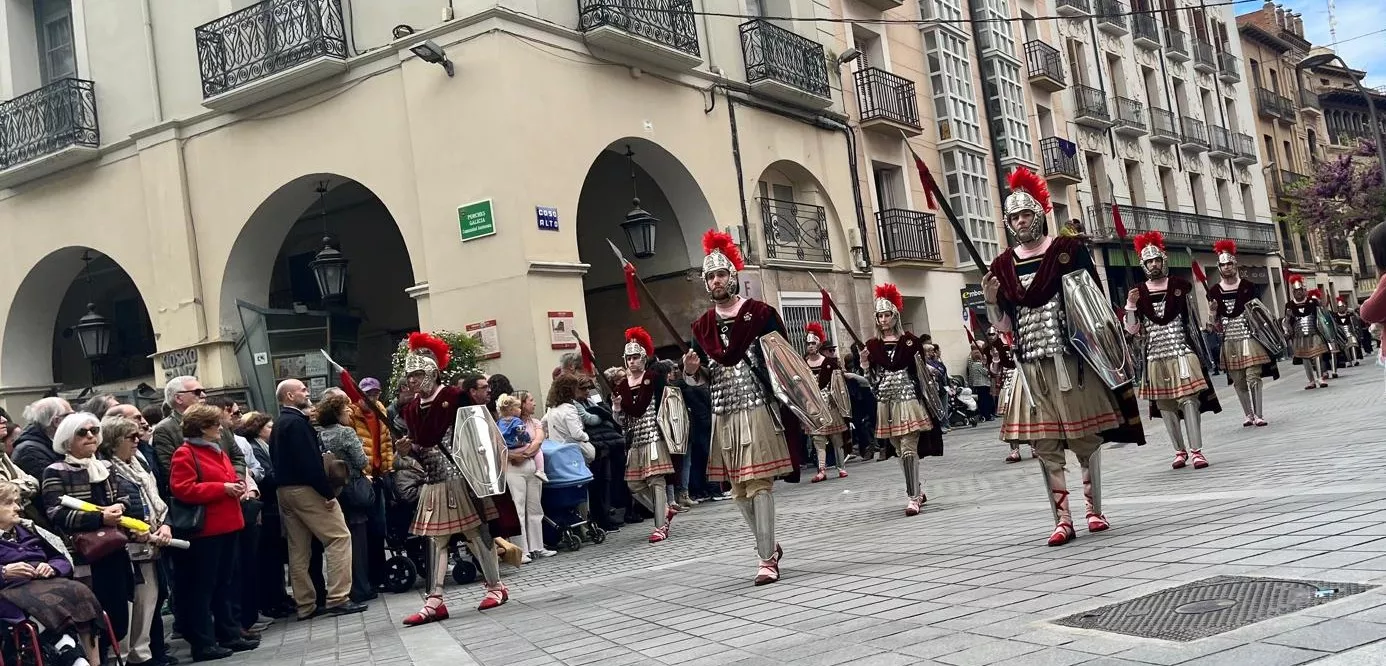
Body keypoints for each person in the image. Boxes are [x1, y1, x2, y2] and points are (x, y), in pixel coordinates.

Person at [982, 167, 1144, 546]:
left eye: (1026, 214)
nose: (1021, 221)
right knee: (1045, 446)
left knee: (1085, 438)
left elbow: (1094, 305)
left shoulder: (1067, 252)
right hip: (1032, 366)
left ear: (1039, 214)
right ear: (1008, 223)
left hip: (1071, 361)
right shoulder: (1003, 266)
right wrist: (990, 301)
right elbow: (1006, 322)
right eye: (1014, 217)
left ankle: (1094, 510)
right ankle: (1062, 519)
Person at [680, 230, 799, 585]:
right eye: (710, 276)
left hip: (757, 403)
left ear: (733, 277)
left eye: (721, 274)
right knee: (738, 491)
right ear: (705, 283)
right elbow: (701, 374)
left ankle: (766, 560)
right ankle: (769, 544)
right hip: (723, 411)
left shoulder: (761, 314)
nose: (716, 281)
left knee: (759, 482)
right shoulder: (701, 327)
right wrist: (691, 371)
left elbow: (784, 360)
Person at [396, 333, 511, 625]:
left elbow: (476, 434)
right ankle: (434, 601)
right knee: (435, 540)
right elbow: (423, 449)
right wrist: (409, 450)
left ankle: (496, 587)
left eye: (418, 374)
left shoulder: (453, 397)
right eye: (409, 376)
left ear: (432, 372)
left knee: (475, 532)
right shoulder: (409, 409)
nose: (412, 380)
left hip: (461, 475)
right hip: (434, 481)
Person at [39, 412, 138, 663]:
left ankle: (115, 657)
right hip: (85, 554)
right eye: (82, 432)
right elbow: (55, 513)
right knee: (93, 616)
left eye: (94, 430)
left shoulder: (105, 466)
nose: (91, 436)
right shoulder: (55, 471)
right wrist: (99, 518)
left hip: (115, 547)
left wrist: (120, 508)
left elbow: (124, 495)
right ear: (66, 439)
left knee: (119, 612)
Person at [270, 379, 367, 621]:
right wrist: (327, 493)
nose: (307, 392)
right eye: (302, 390)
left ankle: (306, 604)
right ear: (290, 396)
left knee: (298, 548)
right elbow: (310, 462)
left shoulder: (280, 423)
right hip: (306, 489)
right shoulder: (296, 423)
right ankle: (338, 597)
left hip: (285, 490)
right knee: (339, 537)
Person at [1124, 231, 1220, 470]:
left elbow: (1191, 320)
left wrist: (1210, 318)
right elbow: (1133, 329)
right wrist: (1130, 305)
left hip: (1181, 351)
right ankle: (1179, 451)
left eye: (1156, 260)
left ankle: (1197, 450)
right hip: (1155, 355)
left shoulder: (1180, 286)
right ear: (1143, 265)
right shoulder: (1137, 292)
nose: (1154, 264)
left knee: (1189, 400)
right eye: (1149, 261)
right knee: (1166, 405)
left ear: (1163, 261)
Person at [167, 404, 256, 661]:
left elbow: (227, 476)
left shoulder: (215, 450)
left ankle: (228, 632)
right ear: (203, 428)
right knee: (203, 588)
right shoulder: (185, 453)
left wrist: (236, 485)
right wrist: (222, 488)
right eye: (215, 425)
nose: (221, 428)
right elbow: (182, 488)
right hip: (206, 531)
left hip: (227, 524)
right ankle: (204, 642)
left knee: (224, 583)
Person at [0, 481, 104, 666]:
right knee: (42, 603)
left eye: (17, 502)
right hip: (11, 592)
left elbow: (62, 558)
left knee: (80, 592)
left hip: (44, 585)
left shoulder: (28, 530)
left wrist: (52, 567)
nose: (17, 508)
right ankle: (73, 655)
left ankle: (90, 660)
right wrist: (4, 571)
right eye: (9, 503)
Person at [861, 284, 940, 516]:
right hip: (886, 401)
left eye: (887, 315)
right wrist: (865, 364)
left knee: (908, 448)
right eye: (880, 315)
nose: (883, 319)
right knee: (897, 449)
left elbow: (920, 374)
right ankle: (916, 488)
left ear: (895, 316)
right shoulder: (872, 345)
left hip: (908, 399)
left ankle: (913, 498)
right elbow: (873, 380)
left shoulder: (910, 341)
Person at [99, 416, 172, 666]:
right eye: (131, 437)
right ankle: (128, 657)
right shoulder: (107, 469)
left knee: (150, 603)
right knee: (133, 607)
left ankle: (142, 654)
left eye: (137, 436)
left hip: (152, 545)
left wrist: (165, 526)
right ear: (114, 440)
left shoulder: (140, 465)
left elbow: (157, 500)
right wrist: (137, 531)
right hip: (130, 548)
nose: (137, 440)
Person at [612, 328, 678, 543]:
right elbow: (622, 420)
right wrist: (616, 408)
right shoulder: (621, 385)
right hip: (634, 439)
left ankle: (660, 526)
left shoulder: (652, 378)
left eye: (635, 357)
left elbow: (663, 404)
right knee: (634, 485)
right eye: (628, 358)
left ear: (643, 358)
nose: (632, 362)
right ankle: (664, 510)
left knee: (656, 480)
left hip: (653, 434)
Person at [1207, 240, 1278, 426]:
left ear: (1235, 264)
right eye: (1223, 264)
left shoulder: (1248, 286)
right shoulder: (1214, 291)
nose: (1227, 267)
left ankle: (1259, 414)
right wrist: (1213, 312)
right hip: (1229, 340)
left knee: (1253, 376)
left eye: (1229, 263)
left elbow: (1259, 312)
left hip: (1250, 336)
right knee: (1238, 381)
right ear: (1219, 267)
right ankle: (1248, 414)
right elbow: (1214, 326)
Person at [313, 393, 375, 604]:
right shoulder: (346, 433)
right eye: (345, 409)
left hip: (335, 490)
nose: (349, 412)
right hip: (353, 486)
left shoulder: (320, 434)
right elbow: (361, 460)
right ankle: (361, 587)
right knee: (358, 539)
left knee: (342, 540)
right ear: (337, 414)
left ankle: (346, 587)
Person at [338, 375, 393, 594]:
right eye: (367, 393)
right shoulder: (352, 414)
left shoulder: (381, 410)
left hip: (379, 475)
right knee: (366, 528)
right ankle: (369, 577)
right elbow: (353, 448)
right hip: (364, 477)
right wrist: (363, 472)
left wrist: (388, 467)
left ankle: (380, 575)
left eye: (374, 393)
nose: (371, 397)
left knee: (379, 527)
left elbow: (387, 442)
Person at [497, 394, 553, 561]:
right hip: (513, 467)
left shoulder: (532, 422)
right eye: (530, 401)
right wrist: (514, 456)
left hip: (530, 464)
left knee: (534, 507)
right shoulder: (506, 423)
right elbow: (499, 447)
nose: (533, 404)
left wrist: (526, 453)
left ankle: (537, 546)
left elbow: (538, 440)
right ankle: (522, 550)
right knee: (518, 507)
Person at [802, 323, 849, 483]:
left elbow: (838, 384)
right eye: (808, 343)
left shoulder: (830, 362)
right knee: (818, 439)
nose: (810, 346)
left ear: (819, 344)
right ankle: (821, 469)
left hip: (830, 404)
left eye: (813, 343)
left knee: (836, 437)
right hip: (813, 405)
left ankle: (841, 467)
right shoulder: (802, 362)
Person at [1284, 277, 1331, 389]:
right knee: (1305, 359)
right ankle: (1311, 381)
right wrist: (1287, 327)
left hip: (1314, 333)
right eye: (1296, 291)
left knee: (1317, 356)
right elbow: (1286, 322)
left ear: (1304, 290)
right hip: (1299, 337)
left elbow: (1321, 317)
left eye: (1300, 290)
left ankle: (1320, 378)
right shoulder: (1289, 305)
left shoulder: (1312, 302)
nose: (1299, 292)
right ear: (1293, 292)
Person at [13, 397, 73, 481]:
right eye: (70, 415)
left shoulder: (49, 442)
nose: (74, 420)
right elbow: (53, 484)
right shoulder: (30, 451)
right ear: (56, 421)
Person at [1331, 298, 1364, 368]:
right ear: (1338, 308)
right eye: (1340, 307)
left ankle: (1355, 360)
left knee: (1353, 345)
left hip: (1350, 333)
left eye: (1343, 307)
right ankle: (1349, 361)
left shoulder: (1350, 315)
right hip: (1341, 335)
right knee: (1345, 348)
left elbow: (1357, 321)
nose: (1342, 309)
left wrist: (1354, 313)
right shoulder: (1335, 317)